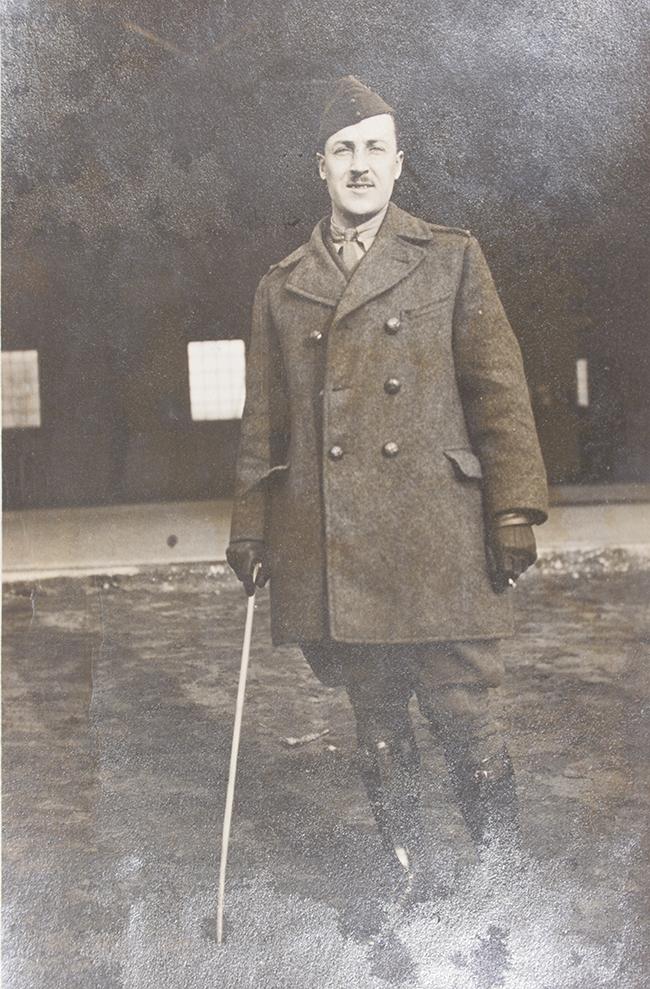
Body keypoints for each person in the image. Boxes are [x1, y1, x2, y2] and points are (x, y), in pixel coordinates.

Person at [226, 76, 548, 899]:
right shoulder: (281, 284)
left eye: (375, 148)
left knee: (465, 710)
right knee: (375, 718)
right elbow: (264, 420)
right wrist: (250, 526)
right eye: (344, 151)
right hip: (339, 540)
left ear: (400, 164)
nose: (360, 165)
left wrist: (513, 508)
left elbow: (498, 390)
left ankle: (503, 878)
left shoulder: (451, 256)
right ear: (320, 167)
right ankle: (411, 877)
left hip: (439, 530)